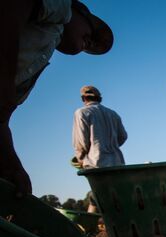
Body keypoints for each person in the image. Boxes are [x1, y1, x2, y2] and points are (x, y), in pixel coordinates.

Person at [1, 0, 113, 195]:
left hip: (95, 164)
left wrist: (11, 165)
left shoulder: (37, 62)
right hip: (111, 164)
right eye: (92, 32)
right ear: (79, 12)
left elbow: (2, 117)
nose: (92, 42)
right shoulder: (63, 8)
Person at [72, 85, 127, 169]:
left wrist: (80, 159)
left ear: (83, 98)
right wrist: (109, 146)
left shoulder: (81, 112)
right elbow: (123, 137)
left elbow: (81, 143)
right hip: (117, 163)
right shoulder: (113, 114)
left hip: (96, 165)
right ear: (99, 98)